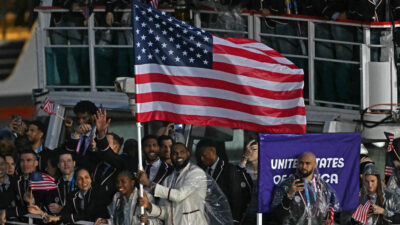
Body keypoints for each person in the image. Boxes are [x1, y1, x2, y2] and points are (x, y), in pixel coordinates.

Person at [138, 143, 209, 225]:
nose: (179, 155)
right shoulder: (169, 179)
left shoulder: (196, 173)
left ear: (188, 153)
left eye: (182, 152)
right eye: (174, 153)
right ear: (170, 156)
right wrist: (148, 206)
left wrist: (149, 183)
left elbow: (179, 195)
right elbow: (166, 213)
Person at [271, 152, 340, 225]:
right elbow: (277, 214)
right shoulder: (287, 185)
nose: (304, 166)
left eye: (307, 163)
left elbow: (332, 207)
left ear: (314, 165)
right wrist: (289, 195)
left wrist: (327, 219)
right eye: (301, 163)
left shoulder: (323, 186)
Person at [196, 139, 252, 224]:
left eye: (204, 155)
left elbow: (237, 198)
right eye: (199, 156)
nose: (202, 159)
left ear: (213, 151)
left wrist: (234, 220)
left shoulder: (229, 170)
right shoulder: (202, 171)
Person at [28, 168, 110, 223]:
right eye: (80, 178)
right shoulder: (72, 195)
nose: (84, 181)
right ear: (76, 182)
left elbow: (87, 213)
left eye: (86, 177)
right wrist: (42, 213)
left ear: (91, 179)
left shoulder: (98, 192)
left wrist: (58, 218)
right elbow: (64, 214)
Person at [94, 170, 160, 225]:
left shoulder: (144, 197)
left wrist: (147, 222)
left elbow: (158, 222)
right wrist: (106, 222)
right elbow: (115, 220)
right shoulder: (117, 197)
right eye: (117, 182)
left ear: (132, 182)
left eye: (123, 182)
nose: (119, 185)